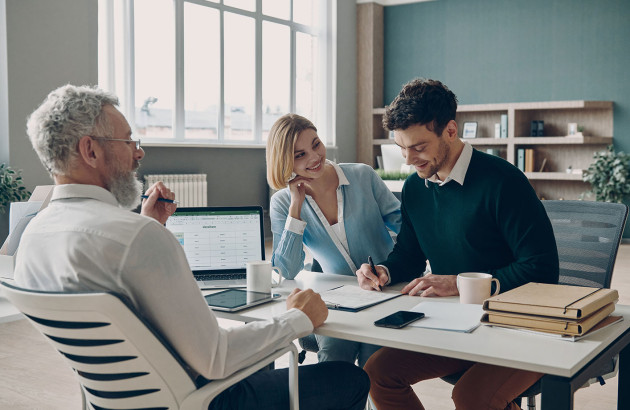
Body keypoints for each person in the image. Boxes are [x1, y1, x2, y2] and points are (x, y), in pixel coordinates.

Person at [14, 84, 370, 410]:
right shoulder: (136, 237)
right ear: (90, 150)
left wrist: (149, 224)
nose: (139, 153)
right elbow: (215, 359)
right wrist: (298, 320)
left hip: (119, 402)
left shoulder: (32, 238)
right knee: (348, 379)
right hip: (201, 400)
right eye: (128, 142)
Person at [355, 78, 559, 410]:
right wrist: (384, 272)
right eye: (401, 147)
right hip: (454, 322)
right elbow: (409, 255)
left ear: (450, 130)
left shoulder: (504, 182)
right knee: (377, 373)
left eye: (418, 147)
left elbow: (543, 269)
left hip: (520, 324)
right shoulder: (415, 188)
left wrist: (460, 283)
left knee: (471, 397)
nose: (408, 159)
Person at [266, 113, 401, 368]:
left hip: (384, 291)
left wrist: (388, 265)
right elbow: (286, 269)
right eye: (299, 154)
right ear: (285, 161)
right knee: (334, 360)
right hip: (336, 303)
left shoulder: (363, 176)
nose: (314, 157)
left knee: (376, 365)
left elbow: (405, 228)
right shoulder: (282, 203)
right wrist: (296, 206)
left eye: (315, 144)